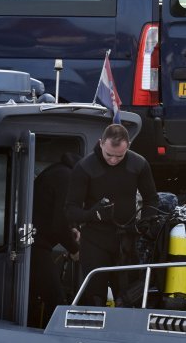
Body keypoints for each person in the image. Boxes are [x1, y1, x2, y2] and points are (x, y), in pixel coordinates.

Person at [65, 124, 158, 306]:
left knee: (129, 298)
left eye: (119, 156)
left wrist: (146, 222)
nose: (114, 160)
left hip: (127, 240)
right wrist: (94, 214)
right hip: (95, 240)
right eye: (109, 155)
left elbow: (151, 199)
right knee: (95, 297)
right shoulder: (85, 167)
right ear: (101, 144)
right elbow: (70, 210)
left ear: (128, 146)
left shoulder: (138, 164)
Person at [28, 152, 80, 327]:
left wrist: (70, 229)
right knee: (56, 301)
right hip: (36, 245)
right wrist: (75, 249)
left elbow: (53, 214)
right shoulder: (68, 177)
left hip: (33, 242)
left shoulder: (57, 171)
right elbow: (58, 223)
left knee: (34, 296)